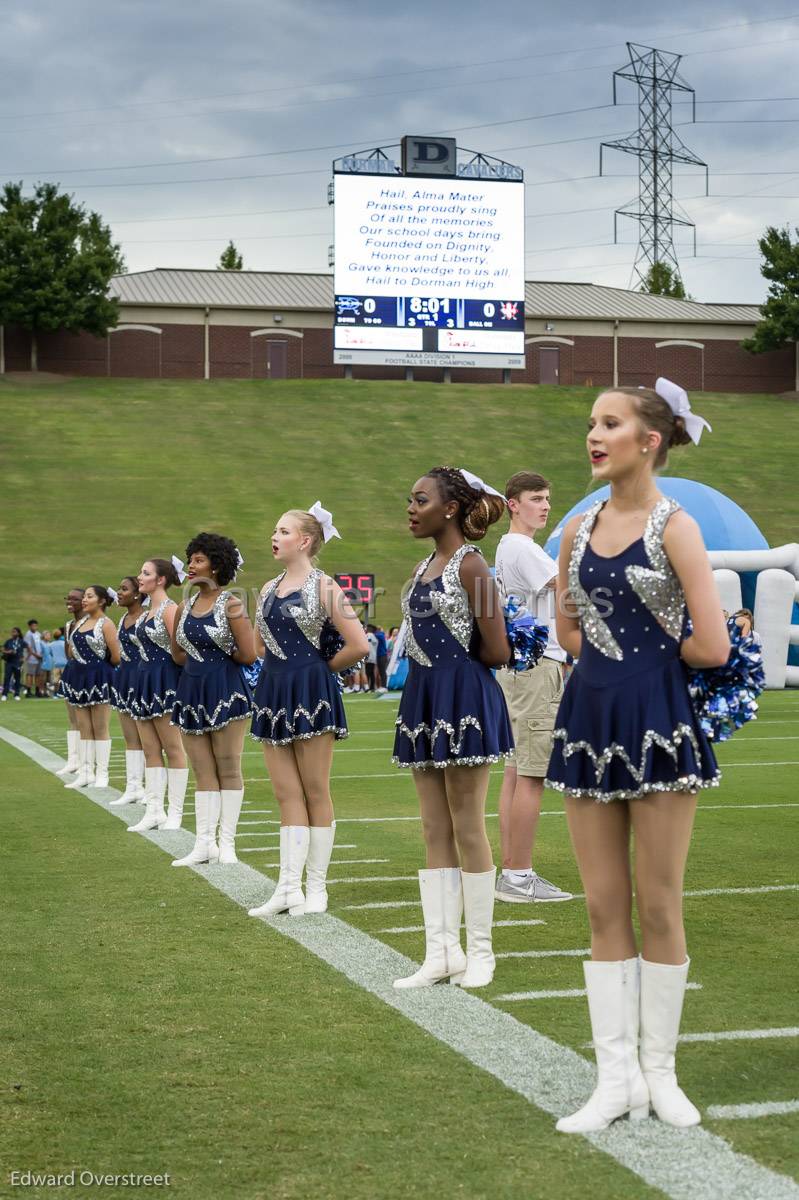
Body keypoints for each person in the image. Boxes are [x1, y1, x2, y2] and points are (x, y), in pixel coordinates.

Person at [546, 380, 729, 1134]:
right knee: (599, 904)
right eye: (591, 423)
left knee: (657, 901)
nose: (594, 435)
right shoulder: (575, 530)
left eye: (609, 423)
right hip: (587, 719)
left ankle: (660, 1072)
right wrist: (616, 667)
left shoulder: (676, 527)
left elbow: (712, 645)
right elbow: (566, 633)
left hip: (657, 724)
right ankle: (614, 1078)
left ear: (647, 440)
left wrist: (649, 664)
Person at [392, 467, 513, 990]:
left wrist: (459, 670)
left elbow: (499, 648)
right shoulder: (424, 566)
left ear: (450, 508)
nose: (411, 508)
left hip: (463, 696)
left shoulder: (473, 567)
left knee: (468, 824)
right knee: (433, 827)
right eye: (410, 500)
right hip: (423, 697)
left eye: (420, 500)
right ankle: (441, 951)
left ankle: (482, 952)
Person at [248, 503, 368, 917]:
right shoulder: (266, 589)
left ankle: (316, 888)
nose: (274, 537)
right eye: (274, 530)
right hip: (273, 690)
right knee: (285, 794)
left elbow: (360, 644)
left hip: (311, 691)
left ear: (304, 540)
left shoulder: (325, 586)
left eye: (282, 530)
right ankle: (287, 887)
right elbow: (263, 645)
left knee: (315, 790)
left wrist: (318, 671)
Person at [494, 472, 572, 905]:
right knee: (531, 775)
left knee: (515, 772)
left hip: (523, 667)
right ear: (513, 504)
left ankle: (513, 870)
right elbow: (568, 592)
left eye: (547, 498)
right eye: (536, 499)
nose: (545, 506)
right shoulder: (521, 547)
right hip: (537, 666)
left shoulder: (515, 548)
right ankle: (518, 876)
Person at [170, 533, 256, 866]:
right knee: (202, 770)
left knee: (228, 766)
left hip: (226, 690)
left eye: (199, 560)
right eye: (190, 559)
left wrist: (217, 661)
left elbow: (248, 654)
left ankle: (227, 844)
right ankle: (204, 844)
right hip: (191, 689)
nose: (191, 565)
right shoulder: (183, 606)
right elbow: (177, 654)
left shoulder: (232, 603)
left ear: (217, 565)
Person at [127, 558, 188, 834]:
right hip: (144, 680)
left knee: (173, 748)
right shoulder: (143, 614)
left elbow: (180, 652)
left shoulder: (170, 609)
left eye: (146, 573)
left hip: (166, 680)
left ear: (161, 579)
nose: (140, 577)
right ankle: (154, 810)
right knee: (150, 749)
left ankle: (175, 812)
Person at [62, 587, 121, 790]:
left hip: (99, 677)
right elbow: (70, 651)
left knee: (100, 727)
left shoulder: (107, 624)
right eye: (84, 596)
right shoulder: (79, 623)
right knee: (83, 726)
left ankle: (102, 773)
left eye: (89, 596)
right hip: (79, 677)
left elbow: (116, 656)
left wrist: (99, 667)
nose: (85, 600)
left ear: (102, 601)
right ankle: (86, 772)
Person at [109, 577, 148, 808]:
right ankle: (133, 787)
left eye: (124, 589)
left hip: (143, 679)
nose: (118, 592)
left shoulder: (146, 616)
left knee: (149, 741)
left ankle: (149, 790)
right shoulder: (123, 618)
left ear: (137, 594)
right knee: (130, 738)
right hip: (124, 678)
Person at [54, 589, 87, 775]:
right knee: (73, 720)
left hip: (87, 674)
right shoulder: (69, 625)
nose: (70, 601)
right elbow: (68, 652)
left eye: (74, 599)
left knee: (85, 721)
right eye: (68, 598)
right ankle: (73, 760)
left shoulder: (91, 622)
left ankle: (85, 762)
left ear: (84, 601)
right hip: (71, 671)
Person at [1, 628, 25, 700]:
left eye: (14, 632)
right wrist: (8, 652)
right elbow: (2, 649)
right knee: (7, 678)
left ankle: (16, 694)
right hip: (9, 662)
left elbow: (28, 649)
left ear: (18, 633)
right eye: (12, 632)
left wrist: (24, 658)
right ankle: (4, 694)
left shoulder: (21, 642)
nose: (12, 633)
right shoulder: (9, 641)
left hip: (17, 662)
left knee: (17, 678)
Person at [23, 619, 43, 697]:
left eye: (36, 625)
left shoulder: (38, 634)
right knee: (30, 674)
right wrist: (36, 655)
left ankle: (37, 691)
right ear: (29, 626)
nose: (35, 627)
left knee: (38, 675)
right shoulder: (28, 634)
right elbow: (29, 647)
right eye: (33, 625)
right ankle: (28, 691)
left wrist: (41, 655)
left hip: (39, 657)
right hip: (31, 658)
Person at [39, 631, 54, 695]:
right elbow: (39, 652)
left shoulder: (49, 644)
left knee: (48, 679)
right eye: (47, 635)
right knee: (43, 679)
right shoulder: (41, 643)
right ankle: (41, 691)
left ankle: (47, 692)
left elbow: (51, 653)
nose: (48, 637)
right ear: (43, 636)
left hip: (49, 663)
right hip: (43, 663)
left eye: (49, 635)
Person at [375, 625, 389, 693]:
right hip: (379, 655)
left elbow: (376, 635)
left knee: (383, 671)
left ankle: (384, 687)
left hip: (383, 655)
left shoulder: (381, 635)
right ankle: (382, 686)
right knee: (380, 671)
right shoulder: (380, 634)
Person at [365, 625, 378, 691]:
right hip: (371, 656)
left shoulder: (369, 635)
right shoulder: (371, 635)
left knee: (369, 672)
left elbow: (370, 644)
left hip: (370, 656)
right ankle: (371, 687)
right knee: (371, 672)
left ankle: (371, 687)